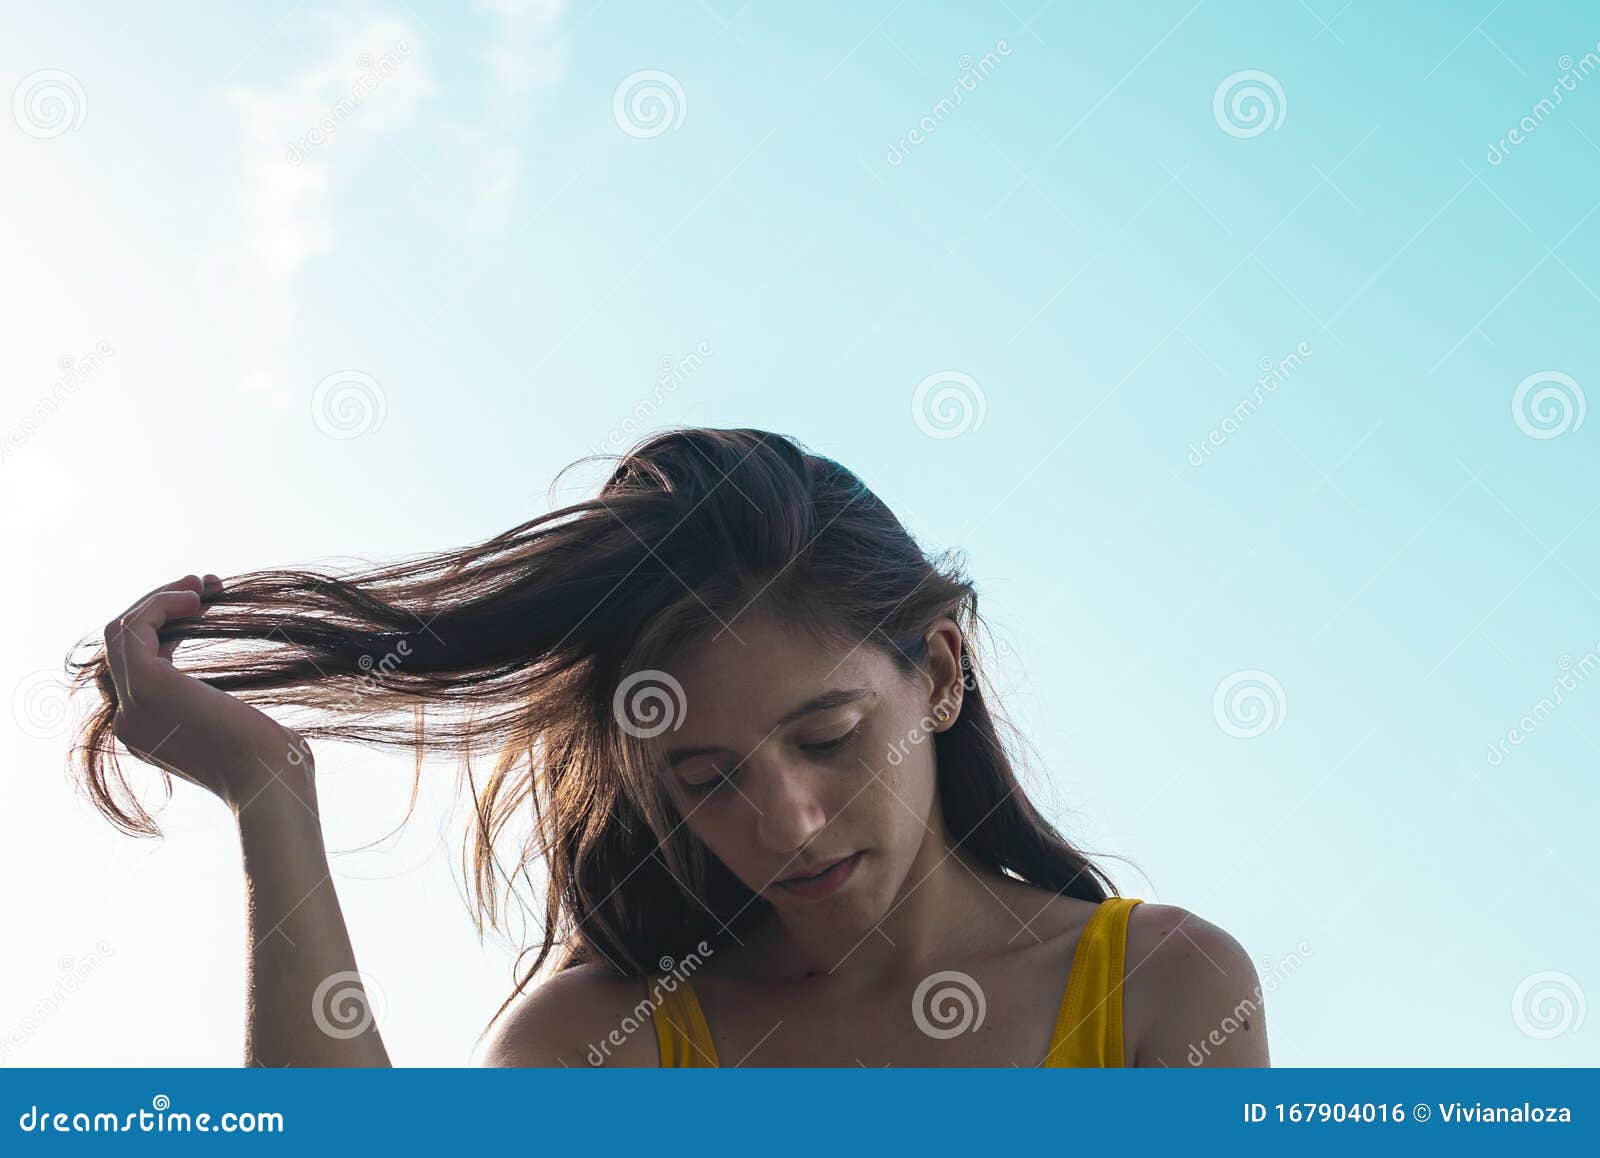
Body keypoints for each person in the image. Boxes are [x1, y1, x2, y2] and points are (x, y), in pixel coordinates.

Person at [69, 427, 1268, 1067]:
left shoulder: (1163, 993)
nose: (786, 822)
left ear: (939, 675)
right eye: (708, 778)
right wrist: (271, 799)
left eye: (827, 736)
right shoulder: (606, 1046)